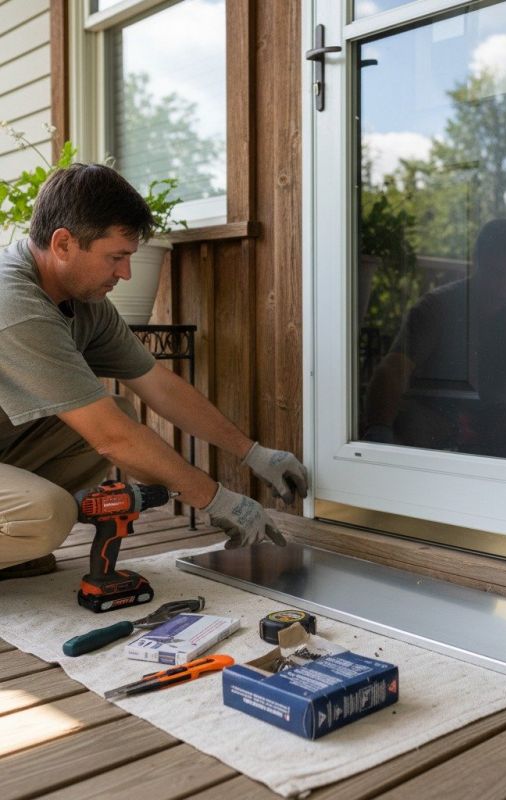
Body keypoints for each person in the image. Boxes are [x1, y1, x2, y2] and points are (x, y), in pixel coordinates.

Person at [0, 163, 309, 579]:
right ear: (63, 244)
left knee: (117, 411)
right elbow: (112, 439)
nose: (125, 273)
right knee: (46, 514)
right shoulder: (16, 306)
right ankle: (21, 537)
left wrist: (253, 454)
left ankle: (14, 548)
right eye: (117, 257)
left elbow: (158, 384)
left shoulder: (84, 303)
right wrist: (216, 500)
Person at [362, 217, 506, 466]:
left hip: (500, 417)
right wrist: (379, 430)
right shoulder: (437, 307)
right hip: (436, 416)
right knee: (409, 422)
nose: (503, 285)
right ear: (478, 262)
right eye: (496, 273)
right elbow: (393, 371)